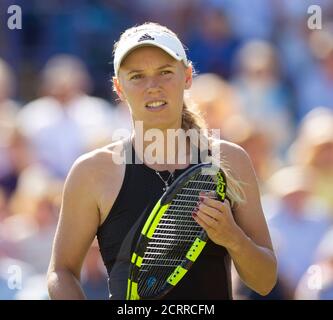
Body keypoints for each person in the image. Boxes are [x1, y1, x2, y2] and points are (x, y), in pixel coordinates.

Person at [47, 22, 277, 300]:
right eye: (137, 76)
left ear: (188, 76)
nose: (153, 87)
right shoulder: (92, 172)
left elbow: (264, 281)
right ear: (119, 88)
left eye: (165, 72)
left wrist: (233, 239)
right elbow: (61, 271)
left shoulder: (230, 160)